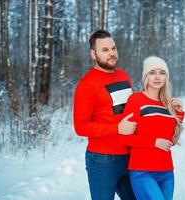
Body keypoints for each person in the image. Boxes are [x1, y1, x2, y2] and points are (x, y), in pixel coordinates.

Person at [73, 29, 137, 200]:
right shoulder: (87, 84)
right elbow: (81, 127)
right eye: (105, 50)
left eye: (113, 48)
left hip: (131, 155)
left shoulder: (123, 75)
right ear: (93, 54)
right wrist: (117, 128)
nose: (112, 54)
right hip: (103, 160)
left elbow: (132, 111)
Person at [119, 56, 185, 200]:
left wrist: (179, 113)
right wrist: (154, 142)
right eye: (152, 72)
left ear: (166, 77)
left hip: (167, 172)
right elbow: (124, 137)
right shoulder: (136, 100)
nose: (157, 77)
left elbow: (170, 141)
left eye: (162, 72)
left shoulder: (168, 104)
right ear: (145, 77)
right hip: (143, 172)